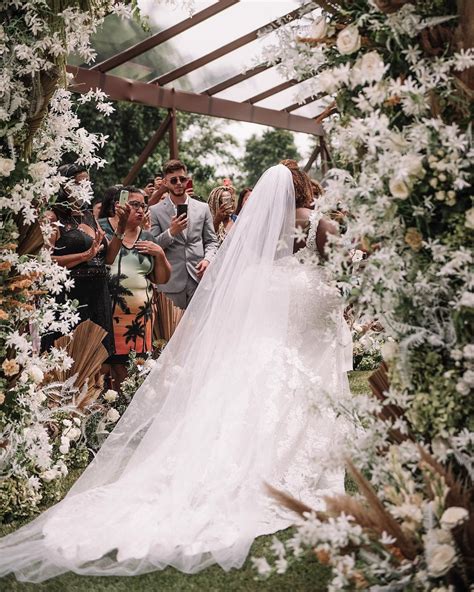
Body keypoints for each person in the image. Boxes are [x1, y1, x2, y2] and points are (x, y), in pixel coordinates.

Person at [0, 162, 352, 582]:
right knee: (293, 386)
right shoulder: (318, 225)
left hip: (275, 328)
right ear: (303, 189)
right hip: (308, 323)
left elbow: (249, 276)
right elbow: (344, 274)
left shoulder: (259, 232)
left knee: (254, 389)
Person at [41, 164, 129, 356]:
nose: (85, 187)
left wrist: (121, 226)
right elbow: (45, 262)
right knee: (67, 357)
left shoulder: (88, 215)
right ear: (64, 186)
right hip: (70, 295)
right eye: (79, 183)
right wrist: (84, 256)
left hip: (97, 294)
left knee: (96, 360)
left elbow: (109, 256)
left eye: (87, 182)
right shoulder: (52, 217)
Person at [99, 187, 171, 389]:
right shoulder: (103, 229)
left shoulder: (147, 237)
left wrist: (160, 255)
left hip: (140, 320)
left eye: (143, 205)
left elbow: (161, 278)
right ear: (119, 205)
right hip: (110, 313)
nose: (141, 210)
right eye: (135, 204)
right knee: (112, 368)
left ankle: (129, 409)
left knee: (136, 369)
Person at [149, 159, 218, 309]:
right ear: (166, 183)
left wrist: (207, 260)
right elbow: (153, 245)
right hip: (171, 281)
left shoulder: (203, 208)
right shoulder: (155, 210)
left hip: (199, 278)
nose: (179, 183)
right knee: (173, 330)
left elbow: (212, 241)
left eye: (182, 179)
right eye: (173, 180)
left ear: (187, 180)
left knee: (199, 329)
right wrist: (171, 232)